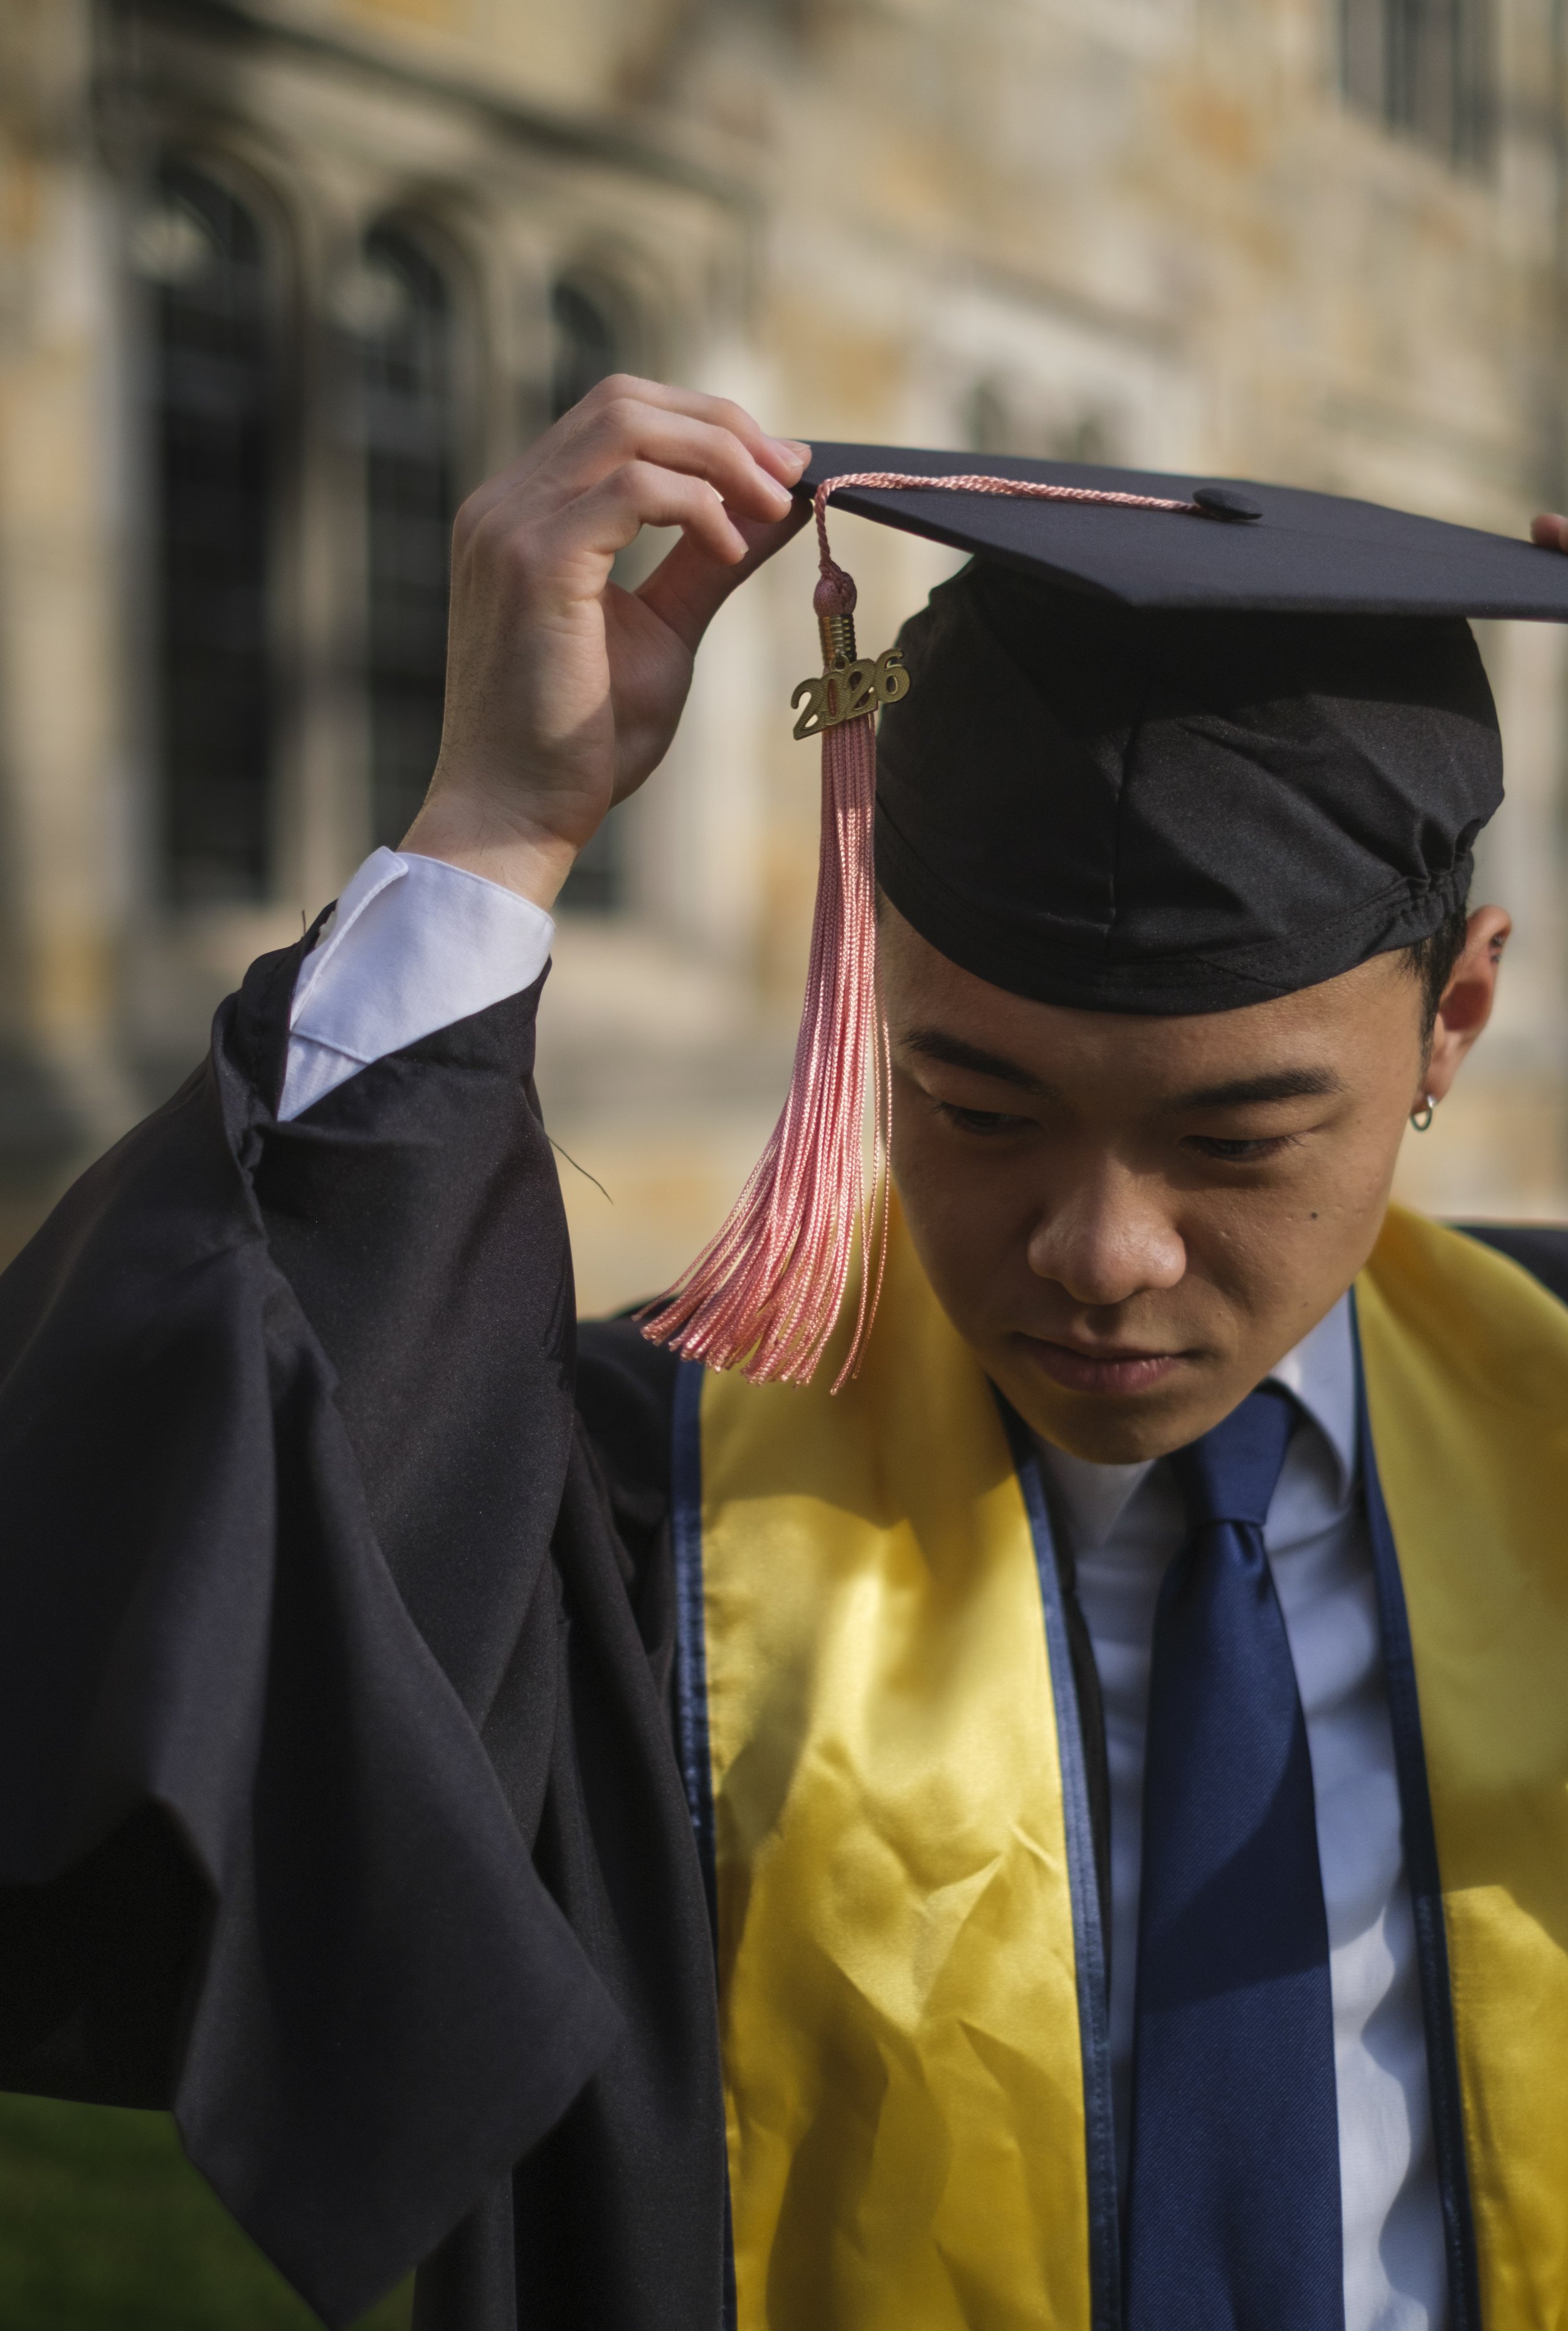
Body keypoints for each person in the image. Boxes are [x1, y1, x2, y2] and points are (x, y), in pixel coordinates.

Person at [1, 377, 1565, 2331]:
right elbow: (141, 1792)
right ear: (869, 1008)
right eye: (972, 1106)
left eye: (1236, 1140)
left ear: (1456, 1019)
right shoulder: (616, 1505)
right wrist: (491, 832)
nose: (1100, 1253)